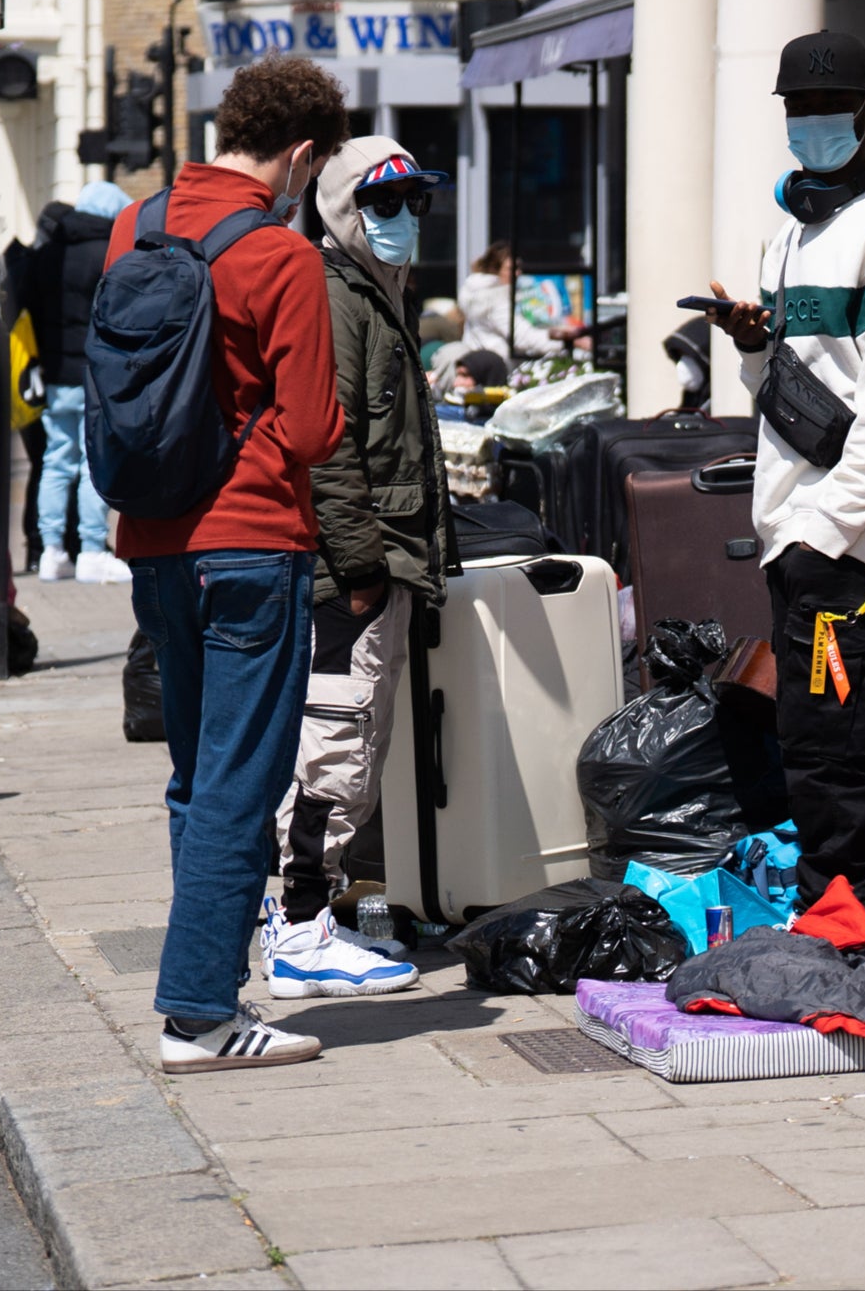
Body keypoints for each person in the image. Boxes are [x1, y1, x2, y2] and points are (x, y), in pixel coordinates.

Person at [109, 55, 350, 1073]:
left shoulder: (139, 223)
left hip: (155, 537)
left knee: (196, 776)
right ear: (299, 151)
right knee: (241, 784)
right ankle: (201, 1011)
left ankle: (209, 990)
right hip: (252, 539)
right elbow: (311, 428)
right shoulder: (282, 256)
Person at [709, 30, 865, 906]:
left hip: (850, 542)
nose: (810, 122)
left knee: (839, 750)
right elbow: (796, 384)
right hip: (799, 532)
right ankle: (834, 920)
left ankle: (844, 932)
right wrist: (751, 346)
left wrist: (820, 536)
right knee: (814, 745)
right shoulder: (790, 239)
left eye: (827, 107)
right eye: (797, 108)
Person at [263, 139, 458, 998]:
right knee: (335, 740)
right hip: (348, 571)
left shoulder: (374, 296)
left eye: (417, 203)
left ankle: (305, 917)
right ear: (342, 209)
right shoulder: (336, 298)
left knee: (347, 737)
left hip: (368, 563)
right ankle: (300, 927)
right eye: (386, 205)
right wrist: (363, 565)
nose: (404, 220)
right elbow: (328, 446)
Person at [22, 179, 134, 582]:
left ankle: (51, 550)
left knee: (55, 458)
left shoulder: (48, 253)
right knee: (92, 463)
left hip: (53, 374)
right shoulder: (109, 254)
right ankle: (90, 549)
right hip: (93, 374)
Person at [456, 241, 577, 368]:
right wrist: (566, 343)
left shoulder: (478, 293)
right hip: (499, 367)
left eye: (519, 268)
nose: (518, 273)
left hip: (477, 363)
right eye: (511, 269)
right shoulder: (495, 299)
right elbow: (522, 336)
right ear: (494, 270)